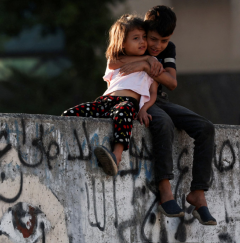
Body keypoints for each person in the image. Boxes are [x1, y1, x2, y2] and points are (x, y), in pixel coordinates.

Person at [108, 6, 216, 225]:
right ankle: (165, 191)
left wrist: (147, 65)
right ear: (145, 32)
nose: (157, 46)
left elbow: (172, 82)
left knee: (206, 127)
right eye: (153, 39)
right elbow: (114, 64)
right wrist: (145, 61)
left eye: (164, 41)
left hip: (159, 99)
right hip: (138, 99)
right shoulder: (135, 41)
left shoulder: (167, 49)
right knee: (164, 123)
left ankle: (198, 194)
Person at [62, 14, 158, 177]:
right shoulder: (117, 61)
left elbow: (153, 92)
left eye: (143, 37)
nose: (142, 42)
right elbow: (112, 61)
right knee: (69, 113)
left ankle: (116, 156)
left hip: (127, 103)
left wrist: (144, 109)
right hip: (105, 102)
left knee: (124, 112)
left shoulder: (151, 66)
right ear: (122, 43)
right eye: (136, 38)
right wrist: (146, 58)